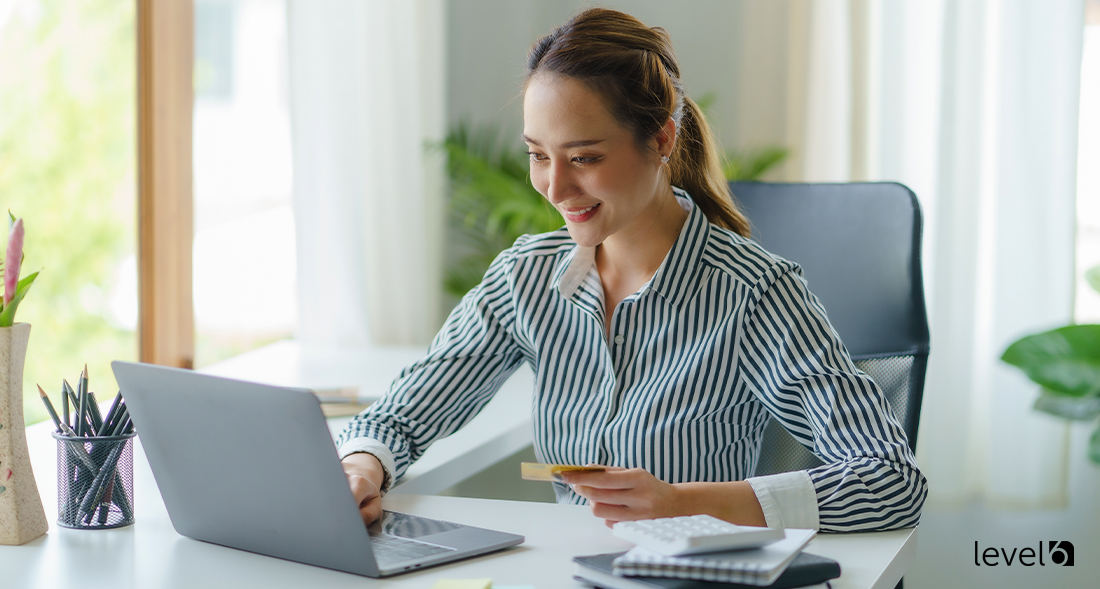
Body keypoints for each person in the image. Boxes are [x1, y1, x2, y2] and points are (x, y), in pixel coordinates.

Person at [338, 7, 927, 533]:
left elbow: (889, 481)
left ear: (662, 138)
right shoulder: (525, 279)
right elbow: (402, 416)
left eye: (585, 158)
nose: (556, 187)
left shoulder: (752, 293)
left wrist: (686, 502)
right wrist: (362, 467)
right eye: (539, 156)